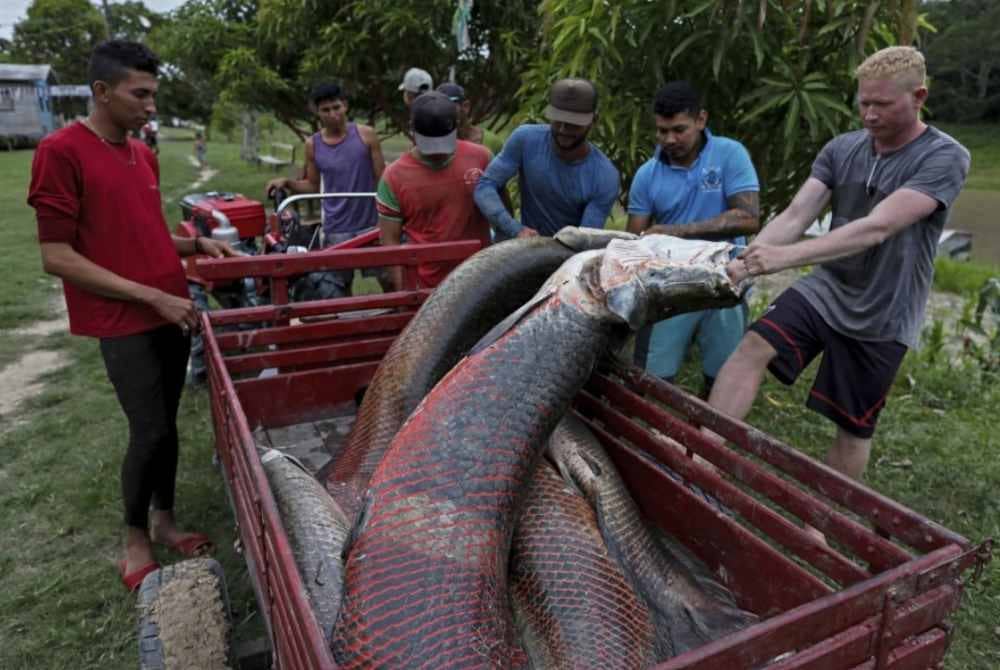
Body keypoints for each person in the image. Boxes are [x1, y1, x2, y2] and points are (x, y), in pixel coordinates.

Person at [27, 40, 240, 592]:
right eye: (139, 94)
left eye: (153, 94)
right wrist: (150, 297)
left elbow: (143, 235)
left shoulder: (140, 154)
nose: (150, 106)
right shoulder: (61, 151)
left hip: (170, 307)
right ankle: (134, 538)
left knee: (166, 423)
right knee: (147, 429)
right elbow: (57, 255)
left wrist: (194, 250)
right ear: (102, 91)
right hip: (126, 319)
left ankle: (166, 521)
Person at [711, 46, 970, 487]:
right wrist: (749, 258)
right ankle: (703, 458)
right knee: (752, 347)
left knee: (851, 426)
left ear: (919, 96)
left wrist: (784, 259)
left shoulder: (944, 157)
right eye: (864, 102)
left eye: (882, 104)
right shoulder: (842, 149)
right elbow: (796, 216)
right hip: (827, 288)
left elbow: (878, 227)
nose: (869, 114)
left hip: (885, 311)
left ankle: (822, 522)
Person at [626, 81, 760, 396]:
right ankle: (651, 439)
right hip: (670, 284)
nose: (669, 139)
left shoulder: (730, 154)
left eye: (679, 129)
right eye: (661, 131)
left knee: (724, 374)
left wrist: (675, 232)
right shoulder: (647, 174)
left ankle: (707, 439)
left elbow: (748, 218)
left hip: (725, 279)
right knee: (653, 375)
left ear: (701, 120)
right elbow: (635, 237)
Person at [266, 82, 385, 295]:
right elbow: (313, 185)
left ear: (346, 106)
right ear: (317, 112)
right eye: (326, 110)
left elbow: (383, 180)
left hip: (371, 225)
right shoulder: (313, 144)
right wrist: (288, 182)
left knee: (390, 282)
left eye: (336, 107)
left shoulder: (367, 135)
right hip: (336, 227)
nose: (332, 114)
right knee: (337, 290)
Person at [474, 78, 619, 241]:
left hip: (567, 256)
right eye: (558, 121)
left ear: (594, 121)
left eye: (573, 124)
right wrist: (514, 228)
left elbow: (584, 240)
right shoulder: (525, 139)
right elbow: (485, 187)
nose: (563, 130)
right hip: (523, 245)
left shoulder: (605, 176)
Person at [375, 91, 492, 289]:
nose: (438, 152)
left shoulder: (482, 159)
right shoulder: (393, 177)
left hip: (478, 283)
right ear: (411, 130)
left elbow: (501, 215)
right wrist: (405, 292)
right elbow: (389, 241)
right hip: (425, 287)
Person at [437, 82, 504, 155]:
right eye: (438, 107)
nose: (443, 112)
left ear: (465, 107)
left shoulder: (492, 143)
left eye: (448, 105)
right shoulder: (434, 146)